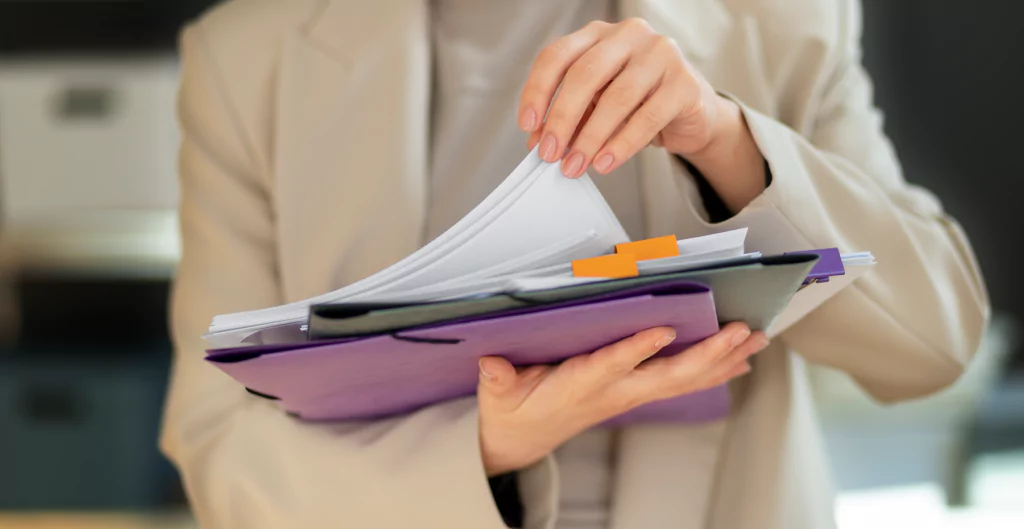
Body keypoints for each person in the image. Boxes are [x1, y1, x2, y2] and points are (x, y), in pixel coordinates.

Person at [160, 0, 990, 528]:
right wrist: (483, 443)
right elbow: (221, 451)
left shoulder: (779, 18)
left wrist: (725, 141)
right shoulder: (247, 58)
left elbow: (934, 346)